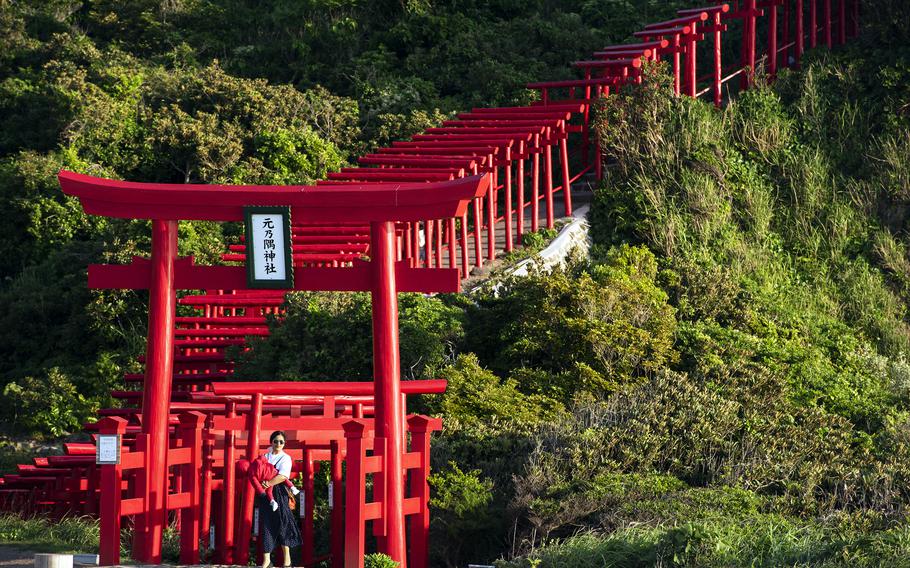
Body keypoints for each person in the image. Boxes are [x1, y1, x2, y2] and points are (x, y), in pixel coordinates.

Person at [258, 431, 301, 568]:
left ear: (284, 444)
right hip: (265, 492)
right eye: (276, 441)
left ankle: (287, 560)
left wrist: (269, 483)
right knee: (266, 523)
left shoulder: (286, 458)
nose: (278, 444)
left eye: (281, 442)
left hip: (279, 492)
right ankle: (266, 560)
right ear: (271, 442)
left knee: (283, 522)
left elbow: (283, 476)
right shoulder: (264, 456)